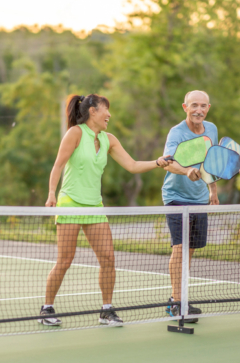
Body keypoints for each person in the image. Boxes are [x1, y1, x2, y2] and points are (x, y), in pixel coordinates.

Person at [40, 93, 169, 327]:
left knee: (108, 258)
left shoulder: (109, 139)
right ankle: (47, 307)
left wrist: (158, 162)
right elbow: (58, 164)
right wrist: (51, 193)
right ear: (93, 111)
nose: (109, 115)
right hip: (70, 203)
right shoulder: (75, 133)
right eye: (106, 110)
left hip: (95, 206)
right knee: (65, 260)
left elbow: (132, 165)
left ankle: (106, 310)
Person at [161, 90, 219, 323]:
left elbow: (211, 159)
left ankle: (180, 297)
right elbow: (167, 162)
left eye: (203, 106)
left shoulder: (211, 129)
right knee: (180, 248)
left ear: (208, 108)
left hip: (199, 198)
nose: (199, 110)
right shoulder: (177, 132)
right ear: (185, 107)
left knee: (190, 250)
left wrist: (212, 190)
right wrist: (186, 170)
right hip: (176, 197)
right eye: (194, 105)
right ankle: (177, 302)